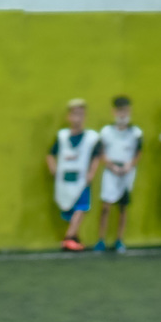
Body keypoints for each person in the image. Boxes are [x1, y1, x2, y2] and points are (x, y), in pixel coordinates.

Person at [47, 99, 103, 252]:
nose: (77, 118)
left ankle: (69, 237)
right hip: (64, 179)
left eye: (81, 114)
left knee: (81, 207)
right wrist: (53, 169)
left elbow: (97, 156)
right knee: (68, 208)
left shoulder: (91, 137)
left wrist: (92, 173)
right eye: (74, 114)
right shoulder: (62, 136)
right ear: (68, 117)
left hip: (81, 178)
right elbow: (51, 155)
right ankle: (74, 238)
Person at [96, 95, 142, 253]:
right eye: (120, 111)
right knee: (106, 206)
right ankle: (100, 239)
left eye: (126, 110)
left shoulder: (135, 132)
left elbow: (138, 152)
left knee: (123, 206)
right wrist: (111, 165)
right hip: (111, 170)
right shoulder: (106, 131)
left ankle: (119, 240)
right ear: (114, 112)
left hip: (127, 171)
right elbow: (101, 152)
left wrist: (130, 165)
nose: (123, 114)